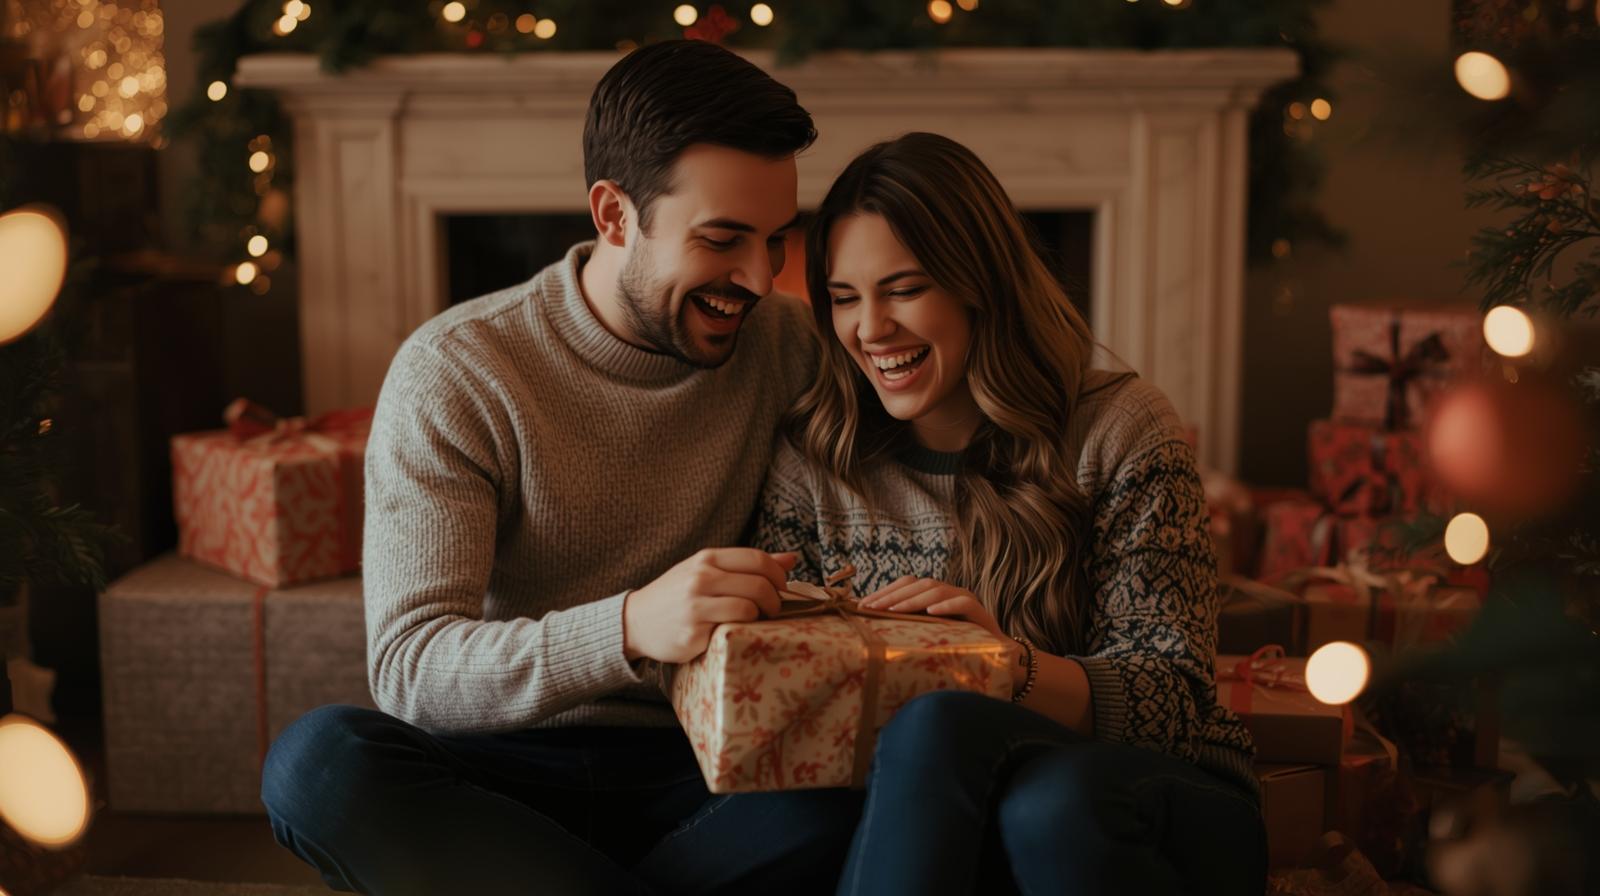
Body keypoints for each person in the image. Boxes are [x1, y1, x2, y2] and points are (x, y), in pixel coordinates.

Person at [261, 40, 862, 896]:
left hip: (707, 766)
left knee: (878, 771)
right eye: (724, 240)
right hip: (501, 770)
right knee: (316, 764)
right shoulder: (459, 371)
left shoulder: (790, 348)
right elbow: (410, 666)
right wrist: (625, 627)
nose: (760, 279)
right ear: (615, 215)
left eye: (775, 241)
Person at [751, 131, 1266, 895]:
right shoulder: (818, 457)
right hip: (940, 802)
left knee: (1034, 795)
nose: (870, 329)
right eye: (843, 296)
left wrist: (999, 666)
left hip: (1146, 803)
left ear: (979, 283)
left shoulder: (1120, 428)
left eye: (905, 288)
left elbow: (1173, 702)